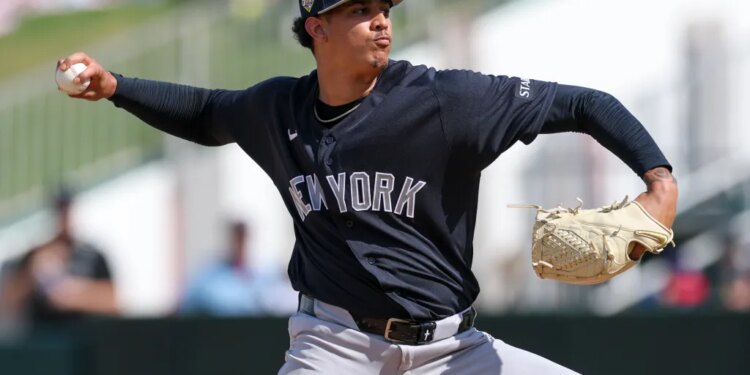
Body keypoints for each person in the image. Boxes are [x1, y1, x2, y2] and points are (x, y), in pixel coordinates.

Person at [56, 0, 678, 373]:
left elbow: (583, 103)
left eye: (382, 8)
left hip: (453, 349)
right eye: (359, 10)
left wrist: (658, 182)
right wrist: (117, 88)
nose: (381, 22)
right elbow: (206, 111)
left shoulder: (445, 100)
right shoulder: (278, 111)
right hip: (333, 347)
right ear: (316, 26)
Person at [0, 190, 118, 326]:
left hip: (83, 336)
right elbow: (7, 302)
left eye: (67, 210)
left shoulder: (93, 255)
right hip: (44, 337)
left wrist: (73, 293)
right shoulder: (37, 254)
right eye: (60, 211)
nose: (63, 217)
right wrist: (32, 274)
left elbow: (114, 302)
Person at [179, 220, 297, 316]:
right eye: (236, 238)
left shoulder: (266, 272)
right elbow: (191, 303)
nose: (239, 243)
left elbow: (281, 301)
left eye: (242, 238)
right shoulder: (210, 274)